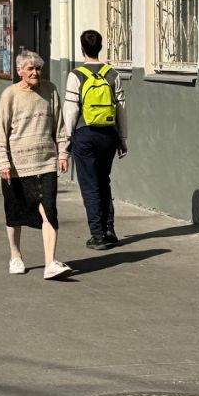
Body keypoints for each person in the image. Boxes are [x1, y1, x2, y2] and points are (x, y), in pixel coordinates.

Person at [0, 50, 73, 279]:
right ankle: (15, 256)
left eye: (38, 68)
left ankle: (50, 263)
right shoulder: (10, 95)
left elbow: (59, 125)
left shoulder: (50, 90)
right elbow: (0, 131)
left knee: (49, 211)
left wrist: (62, 153)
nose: (35, 72)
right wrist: (3, 162)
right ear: (19, 71)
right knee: (14, 212)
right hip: (17, 166)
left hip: (46, 162)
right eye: (30, 68)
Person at [63, 30, 129, 250]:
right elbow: (121, 108)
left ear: (82, 48)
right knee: (103, 180)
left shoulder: (76, 75)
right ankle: (109, 229)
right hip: (109, 135)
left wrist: (67, 138)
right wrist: (122, 137)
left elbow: (71, 109)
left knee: (89, 185)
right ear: (101, 47)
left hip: (85, 134)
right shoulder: (113, 74)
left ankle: (97, 235)